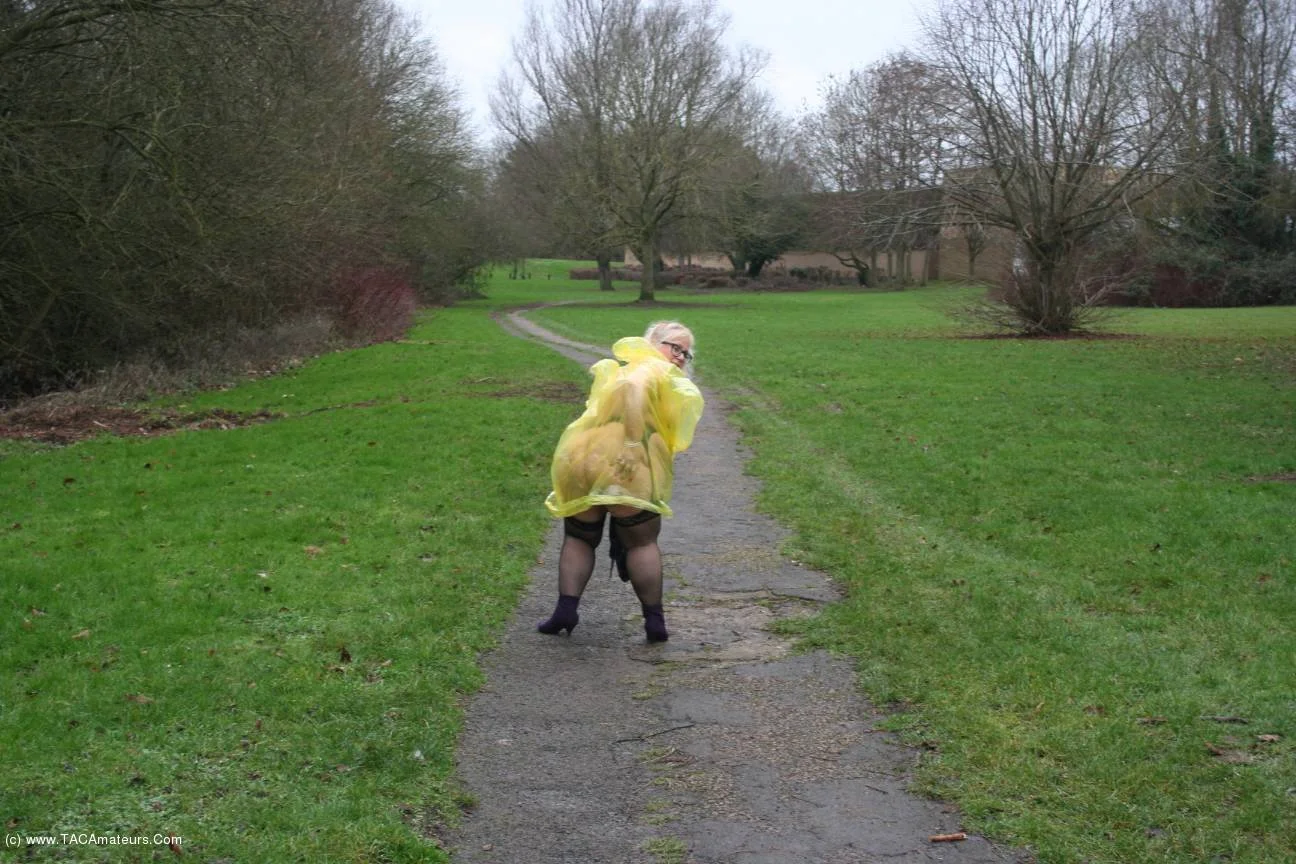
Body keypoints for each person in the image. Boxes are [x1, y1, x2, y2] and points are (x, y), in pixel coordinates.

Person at [538, 320, 704, 643]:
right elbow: (635, 391)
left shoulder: (627, 368)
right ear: (653, 342)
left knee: (580, 537)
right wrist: (631, 443)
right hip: (622, 463)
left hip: (583, 459)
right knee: (642, 542)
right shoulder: (648, 370)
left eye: (687, 352)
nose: (682, 356)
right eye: (675, 347)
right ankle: (654, 622)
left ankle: (565, 610)